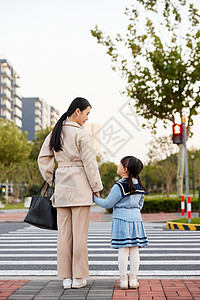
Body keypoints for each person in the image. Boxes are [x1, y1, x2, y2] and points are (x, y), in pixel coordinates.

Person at [38, 97, 103, 289]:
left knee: (64, 235)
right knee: (80, 235)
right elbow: (90, 164)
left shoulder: (55, 133)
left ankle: (66, 278)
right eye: (87, 113)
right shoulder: (82, 135)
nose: (87, 118)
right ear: (77, 111)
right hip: (81, 188)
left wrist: (52, 179)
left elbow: (43, 159)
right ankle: (79, 277)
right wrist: (97, 187)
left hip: (62, 188)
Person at [93, 156, 148, 290]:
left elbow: (108, 203)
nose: (118, 166)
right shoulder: (140, 185)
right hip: (136, 220)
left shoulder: (119, 186)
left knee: (123, 250)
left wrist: (94, 198)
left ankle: (123, 280)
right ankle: (133, 280)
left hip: (121, 221)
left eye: (120, 164)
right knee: (135, 250)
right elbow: (140, 205)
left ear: (125, 169)